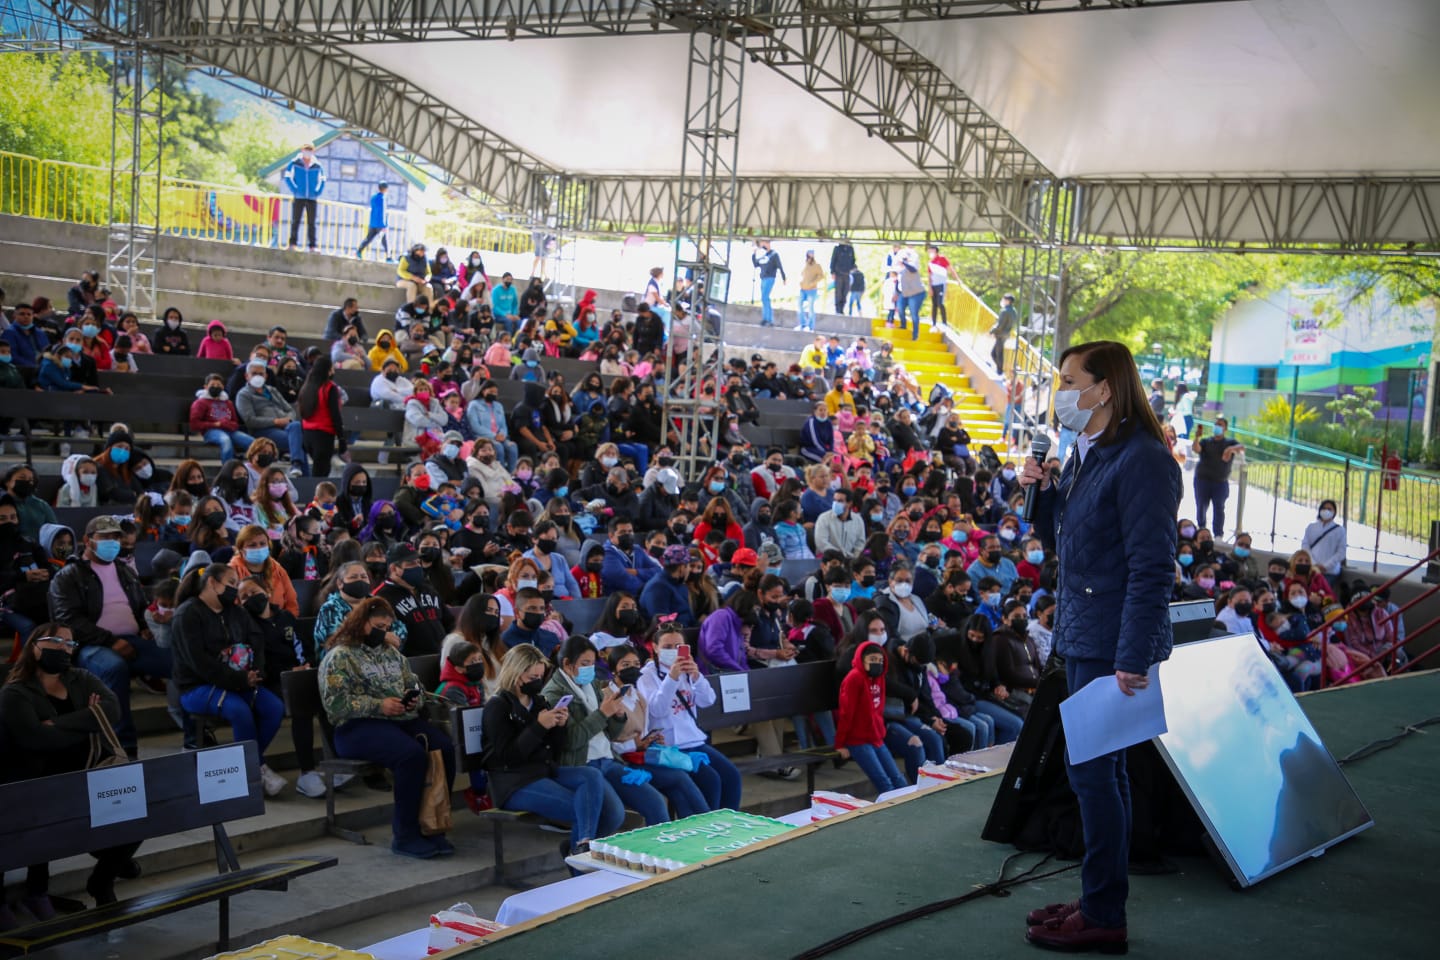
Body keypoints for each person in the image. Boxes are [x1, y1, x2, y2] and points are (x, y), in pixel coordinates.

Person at [1019, 340, 1181, 953]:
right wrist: (1043, 499)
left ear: (1105, 387)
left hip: (1113, 641)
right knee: (1097, 773)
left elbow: (1152, 569)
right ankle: (1097, 897)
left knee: (1093, 775)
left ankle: (1104, 913)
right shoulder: (1086, 451)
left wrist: (1132, 656)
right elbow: (1072, 541)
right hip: (1085, 631)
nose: (1059, 391)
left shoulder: (1143, 460)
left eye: (1068, 379)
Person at [0, 624, 141, 913]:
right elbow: (37, 739)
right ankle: (34, 892)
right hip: (34, 782)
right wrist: (89, 719)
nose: (65, 648)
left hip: (83, 777)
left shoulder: (80, 678)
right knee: (39, 815)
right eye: (56, 641)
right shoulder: (15, 692)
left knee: (135, 815)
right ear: (35, 646)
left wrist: (60, 724)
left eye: (70, 643)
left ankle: (102, 880)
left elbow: (112, 710)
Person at [319, 597, 456, 858]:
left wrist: (413, 698)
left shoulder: (392, 654)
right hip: (355, 728)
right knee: (410, 755)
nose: (383, 632)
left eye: (386, 626)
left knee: (444, 748)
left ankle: (433, 824)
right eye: (377, 626)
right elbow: (335, 705)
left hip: (398, 720)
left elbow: (413, 684)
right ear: (361, 623)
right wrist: (378, 705)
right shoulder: (340, 656)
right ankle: (405, 835)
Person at [481, 643, 624, 855]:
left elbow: (555, 749)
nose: (537, 682)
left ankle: (579, 846)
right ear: (515, 674)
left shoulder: (538, 701)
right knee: (584, 808)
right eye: (532, 678)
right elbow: (507, 757)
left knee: (591, 776)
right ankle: (582, 856)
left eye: (540, 676)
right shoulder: (498, 706)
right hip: (513, 781)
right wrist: (539, 726)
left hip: (544, 771)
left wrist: (559, 725)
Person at [46, 515, 171, 756]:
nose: (112, 542)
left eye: (115, 537)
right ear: (87, 540)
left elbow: (140, 605)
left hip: (132, 639)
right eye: (104, 537)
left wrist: (146, 624)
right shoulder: (69, 575)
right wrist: (110, 640)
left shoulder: (125, 570)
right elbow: (68, 620)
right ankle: (122, 746)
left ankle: (194, 737)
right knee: (114, 668)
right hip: (90, 645)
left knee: (176, 661)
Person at [171, 563, 288, 796]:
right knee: (239, 710)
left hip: (239, 680)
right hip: (197, 686)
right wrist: (239, 679)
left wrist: (256, 671)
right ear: (212, 583)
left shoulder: (236, 612)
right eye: (231, 584)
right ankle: (254, 769)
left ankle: (241, 766)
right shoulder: (188, 613)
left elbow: (256, 639)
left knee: (274, 707)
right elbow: (199, 662)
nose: (235, 590)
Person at [636, 626, 743, 810]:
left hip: (694, 740)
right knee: (711, 780)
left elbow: (707, 700)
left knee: (732, 776)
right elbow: (657, 710)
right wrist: (672, 677)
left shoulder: (688, 670)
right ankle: (709, 828)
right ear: (655, 647)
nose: (672, 651)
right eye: (667, 646)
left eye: (678, 646)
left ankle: (728, 824)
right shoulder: (647, 676)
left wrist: (696, 676)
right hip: (669, 745)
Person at [835, 639, 907, 795]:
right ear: (862, 660)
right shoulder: (854, 679)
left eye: (880, 660)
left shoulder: (879, 678)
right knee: (885, 784)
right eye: (872, 660)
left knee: (899, 780)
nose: (877, 664)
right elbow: (846, 713)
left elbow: (878, 710)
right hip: (858, 740)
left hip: (876, 737)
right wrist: (840, 744)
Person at [1192, 416, 1243, 539]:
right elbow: (1196, 449)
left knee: (1219, 508)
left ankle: (1218, 534)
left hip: (1220, 482)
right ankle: (1201, 529)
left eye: (1220, 425)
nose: (1217, 427)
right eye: (1216, 424)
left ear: (1225, 428)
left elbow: (1241, 448)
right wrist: (1197, 437)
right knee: (1201, 505)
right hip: (1202, 480)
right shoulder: (1206, 441)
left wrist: (1230, 449)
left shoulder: (1230, 442)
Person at [282, 142, 326, 251]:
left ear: (313, 151)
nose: (308, 152)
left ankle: (312, 246)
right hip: (299, 197)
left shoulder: (317, 165)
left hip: (312, 198)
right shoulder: (295, 163)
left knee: (312, 222)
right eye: (306, 150)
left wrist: (317, 191)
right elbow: (287, 177)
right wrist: (295, 190)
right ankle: (293, 244)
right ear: (302, 150)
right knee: (295, 220)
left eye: (310, 150)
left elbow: (323, 179)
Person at [1301, 499, 1347, 579]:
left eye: (1329, 509)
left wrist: (1326, 566)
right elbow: (1305, 546)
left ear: (1334, 512)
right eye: (1324, 508)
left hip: (1330, 572)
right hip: (1312, 569)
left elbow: (1341, 552)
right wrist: (1313, 563)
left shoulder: (1340, 530)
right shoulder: (1311, 527)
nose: (1326, 511)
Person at [751, 240, 786, 327]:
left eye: (765, 243)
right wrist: (754, 253)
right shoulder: (764, 256)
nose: (763, 244)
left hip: (770, 278)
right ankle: (765, 318)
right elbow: (756, 264)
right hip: (763, 278)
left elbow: (780, 265)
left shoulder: (774, 254)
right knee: (764, 299)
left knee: (765, 297)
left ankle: (769, 319)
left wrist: (783, 277)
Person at [356, 181, 390, 260]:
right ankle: (389, 257)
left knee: (368, 239)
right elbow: (383, 212)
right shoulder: (383, 198)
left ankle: (359, 251)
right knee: (385, 241)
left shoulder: (373, 197)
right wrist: (384, 225)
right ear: (385, 189)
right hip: (380, 224)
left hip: (373, 223)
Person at [796, 249, 824, 331]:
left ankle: (811, 326)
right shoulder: (805, 265)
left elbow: (821, 276)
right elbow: (802, 274)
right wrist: (801, 282)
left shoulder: (817, 266)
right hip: (802, 289)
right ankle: (802, 324)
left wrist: (813, 282)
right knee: (800, 306)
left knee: (811, 308)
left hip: (812, 290)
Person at [829, 237, 856, 315]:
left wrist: (852, 268)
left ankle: (842, 308)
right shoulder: (837, 249)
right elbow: (833, 260)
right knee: (838, 292)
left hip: (847, 273)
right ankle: (838, 309)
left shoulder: (851, 249)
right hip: (838, 273)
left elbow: (853, 260)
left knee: (845, 291)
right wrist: (832, 272)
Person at [990, 293, 1016, 372]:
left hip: (1001, 334)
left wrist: (992, 331)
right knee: (996, 353)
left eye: (1004, 299)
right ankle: (1000, 369)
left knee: (996, 354)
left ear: (1008, 301)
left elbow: (1000, 325)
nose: (1003, 301)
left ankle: (1000, 370)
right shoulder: (1014, 311)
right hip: (1006, 334)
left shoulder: (1004, 311)